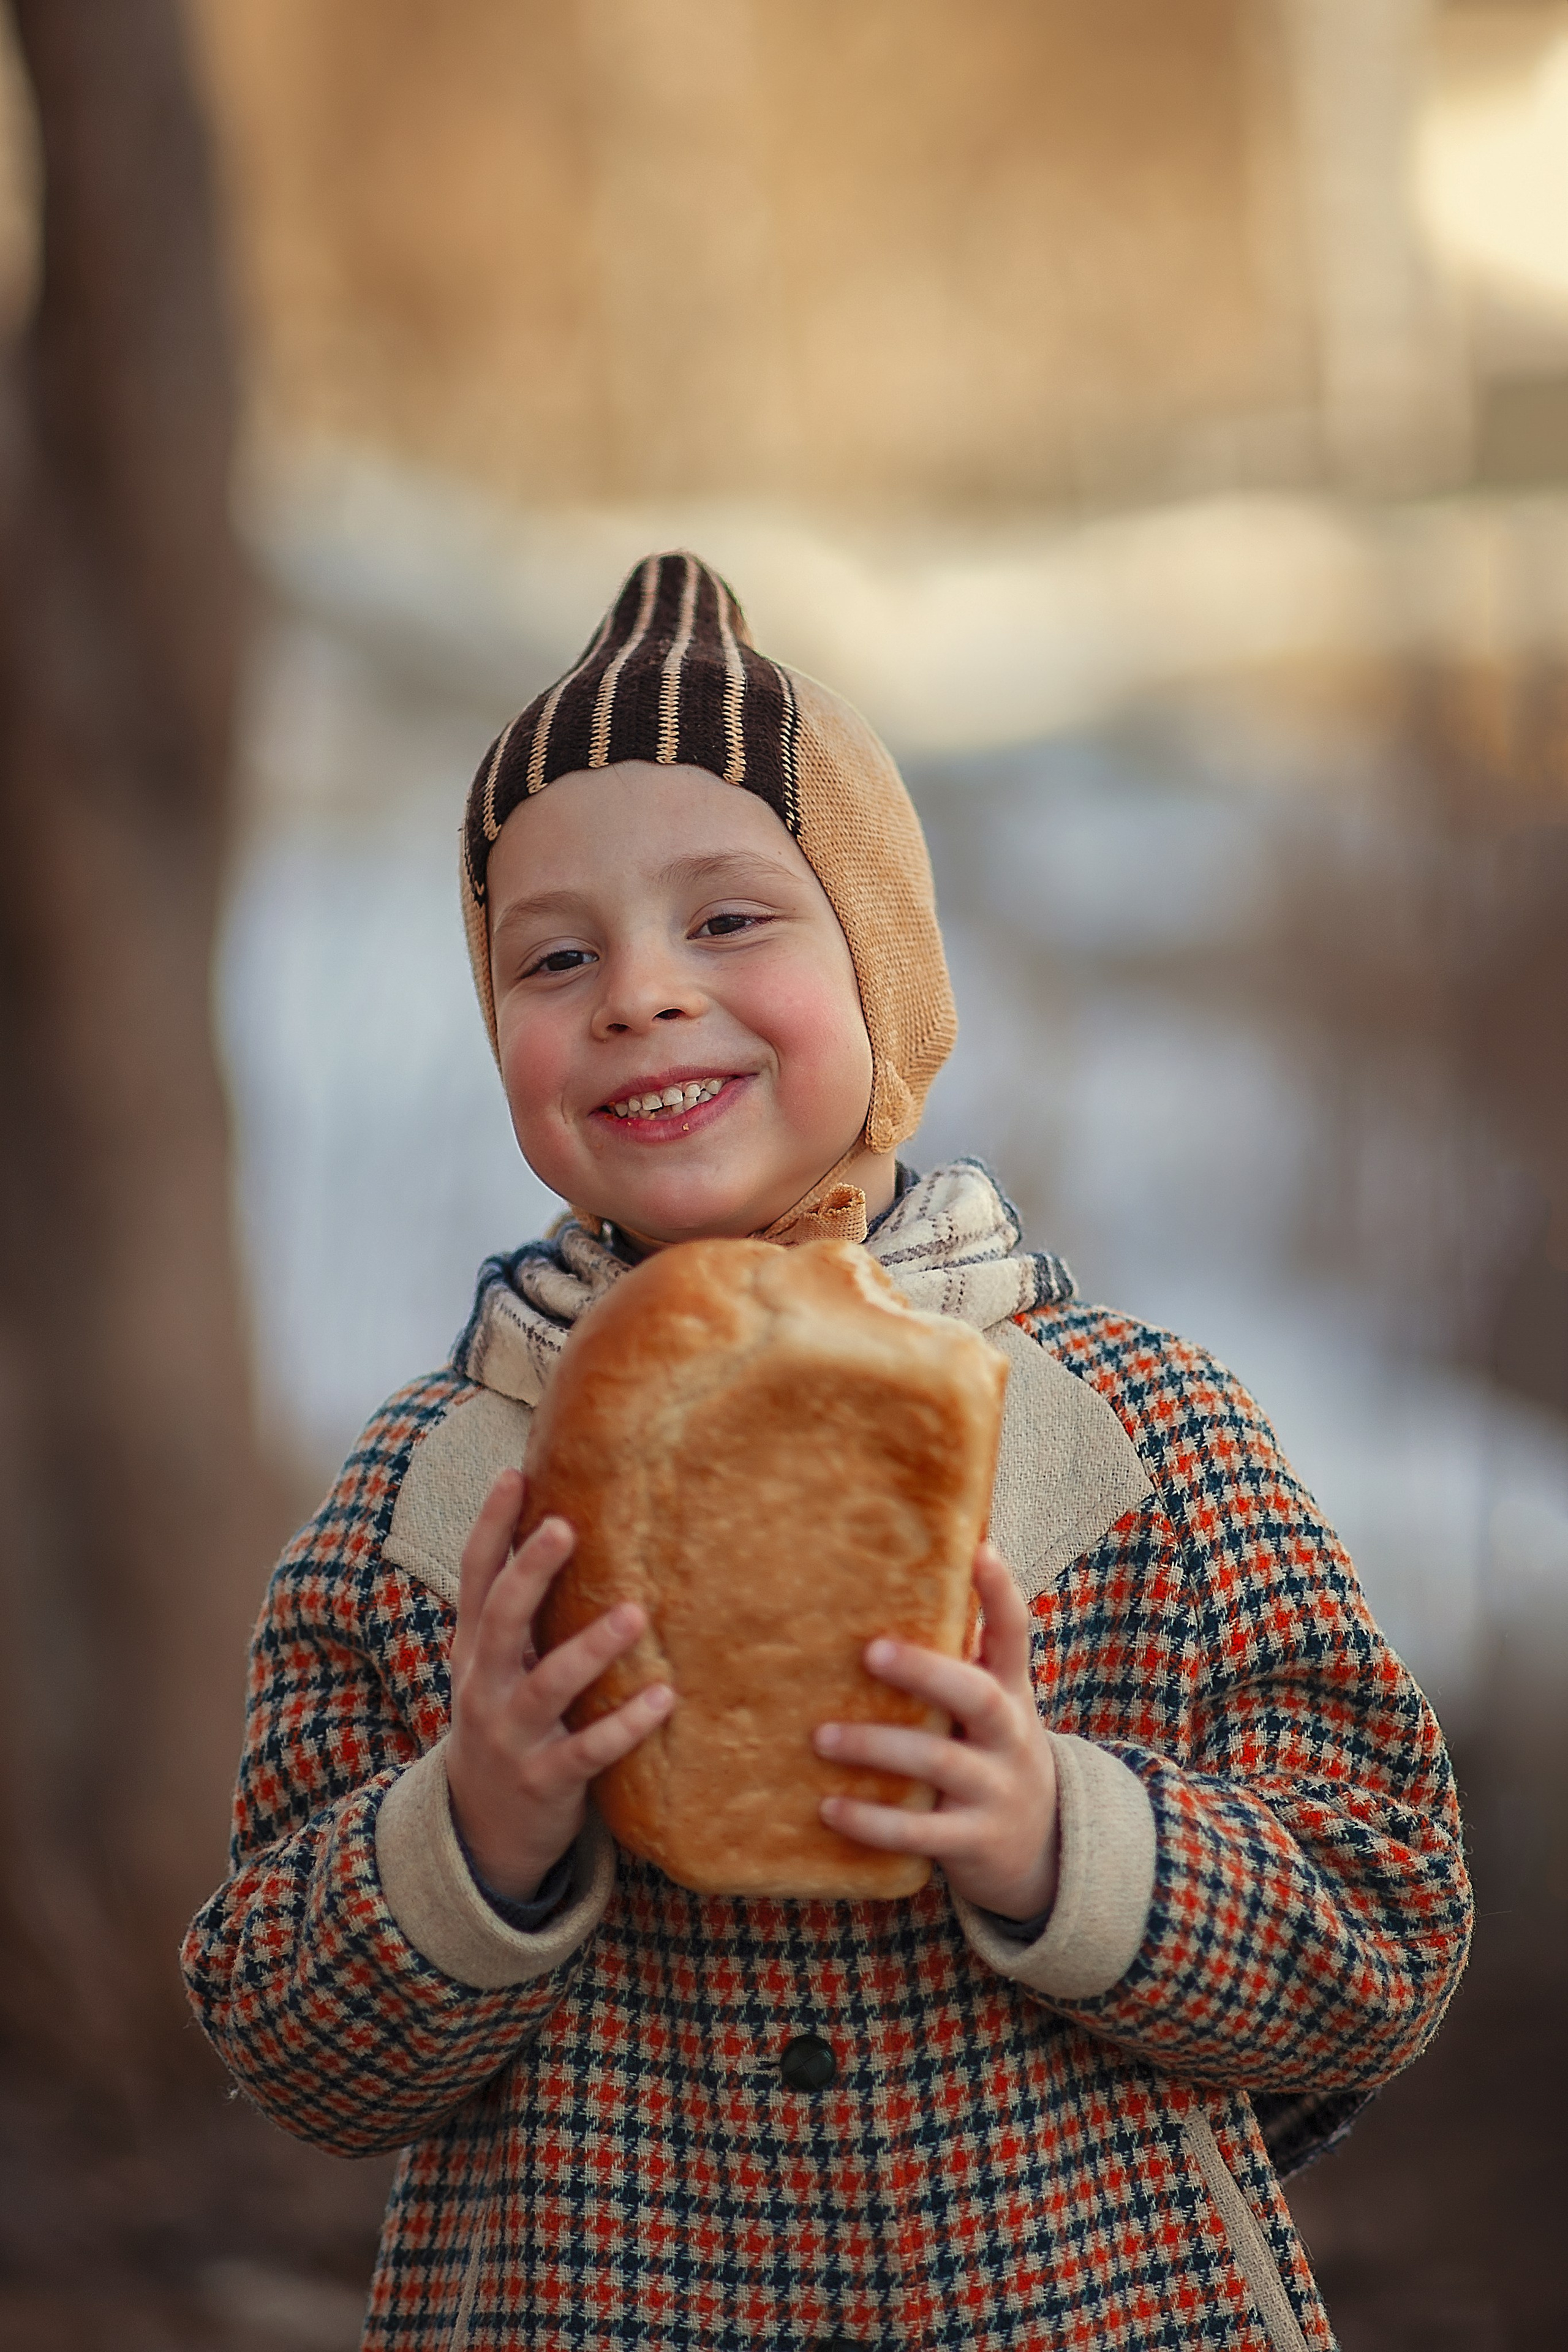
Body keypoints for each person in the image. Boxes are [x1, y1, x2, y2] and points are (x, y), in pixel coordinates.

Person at [184, 552, 1472, 2351]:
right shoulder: (430, 1499)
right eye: (557, 955)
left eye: (729, 921)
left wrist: (1062, 1841)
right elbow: (283, 2034)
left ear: (886, 976)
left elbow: (1387, 1921)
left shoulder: (1146, 1438)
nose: (638, 993)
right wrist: (472, 1829)